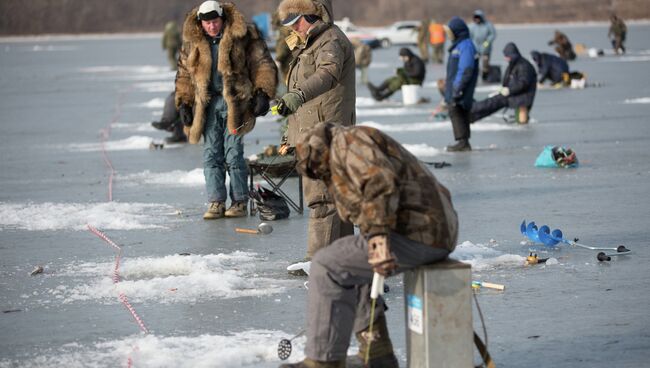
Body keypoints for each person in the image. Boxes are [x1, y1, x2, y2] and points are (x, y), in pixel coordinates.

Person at [279, 122, 458, 368]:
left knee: (326, 264)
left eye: (318, 171)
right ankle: (377, 352)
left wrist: (377, 239)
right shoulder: (348, 147)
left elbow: (379, 183)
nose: (320, 177)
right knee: (350, 262)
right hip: (428, 230)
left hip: (420, 231)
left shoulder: (347, 143)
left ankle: (323, 360)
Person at [175, 1, 277, 219]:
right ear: (200, 24)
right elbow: (184, 74)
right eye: (207, 23)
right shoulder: (192, 42)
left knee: (233, 154)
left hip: (236, 105)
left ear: (222, 18)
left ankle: (239, 201)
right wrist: (184, 102)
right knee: (211, 155)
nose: (211, 27)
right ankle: (216, 202)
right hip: (208, 106)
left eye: (215, 22)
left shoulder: (244, 35)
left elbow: (262, 63)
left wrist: (262, 93)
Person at [275, 0, 356, 266]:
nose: (293, 29)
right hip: (312, 130)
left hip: (327, 131)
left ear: (309, 15)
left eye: (295, 22)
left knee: (322, 198)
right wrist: (290, 135)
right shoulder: (307, 43)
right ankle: (342, 256)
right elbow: (301, 97)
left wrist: (297, 95)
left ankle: (318, 261)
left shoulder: (330, 40)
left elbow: (328, 73)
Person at [471, 43, 537, 125]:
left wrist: (509, 90)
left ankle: (472, 110)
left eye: (507, 56)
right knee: (493, 101)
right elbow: (508, 79)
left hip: (521, 96)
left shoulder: (523, 66)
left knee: (494, 102)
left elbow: (523, 83)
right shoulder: (514, 64)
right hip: (516, 94)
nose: (506, 58)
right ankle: (473, 115)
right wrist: (503, 88)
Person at [444, 16, 478, 152]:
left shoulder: (466, 45)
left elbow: (466, 69)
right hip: (456, 85)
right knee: (459, 110)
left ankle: (463, 142)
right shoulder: (459, 45)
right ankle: (463, 141)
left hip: (461, 86)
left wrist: (458, 87)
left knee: (456, 110)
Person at [469, 9, 496, 81]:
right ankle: (475, 77)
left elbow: (492, 34)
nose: (477, 20)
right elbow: (470, 36)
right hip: (476, 48)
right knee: (475, 63)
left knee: (485, 64)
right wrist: (472, 45)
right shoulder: (472, 26)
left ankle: (485, 76)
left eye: (478, 18)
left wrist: (487, 42)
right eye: (476, 18)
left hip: (485, 48)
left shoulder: (488, 25)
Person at [273, 10, 294, 80]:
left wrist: (278, 59)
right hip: (292, 60)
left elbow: (282, 45)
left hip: (287, 62)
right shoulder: (289, 27)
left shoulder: (283, 30)